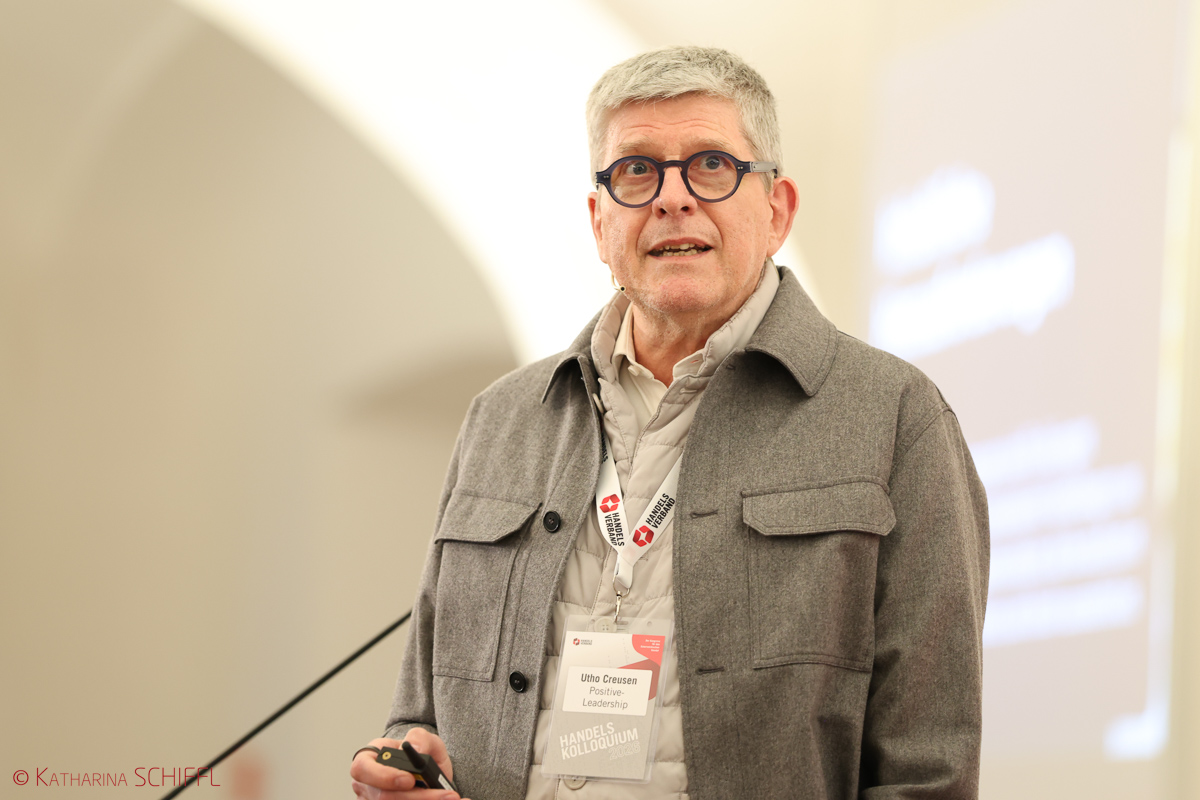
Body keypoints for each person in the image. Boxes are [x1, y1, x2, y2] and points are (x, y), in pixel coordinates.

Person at [351, 46, 989, 800]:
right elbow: (420, 713)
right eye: (636, 171)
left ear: (777, 210)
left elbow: (928, 769)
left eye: (712, 166)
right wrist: (406, 761)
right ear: (599, 222)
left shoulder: (895, 416)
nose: (672, 199)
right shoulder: (502, 419)